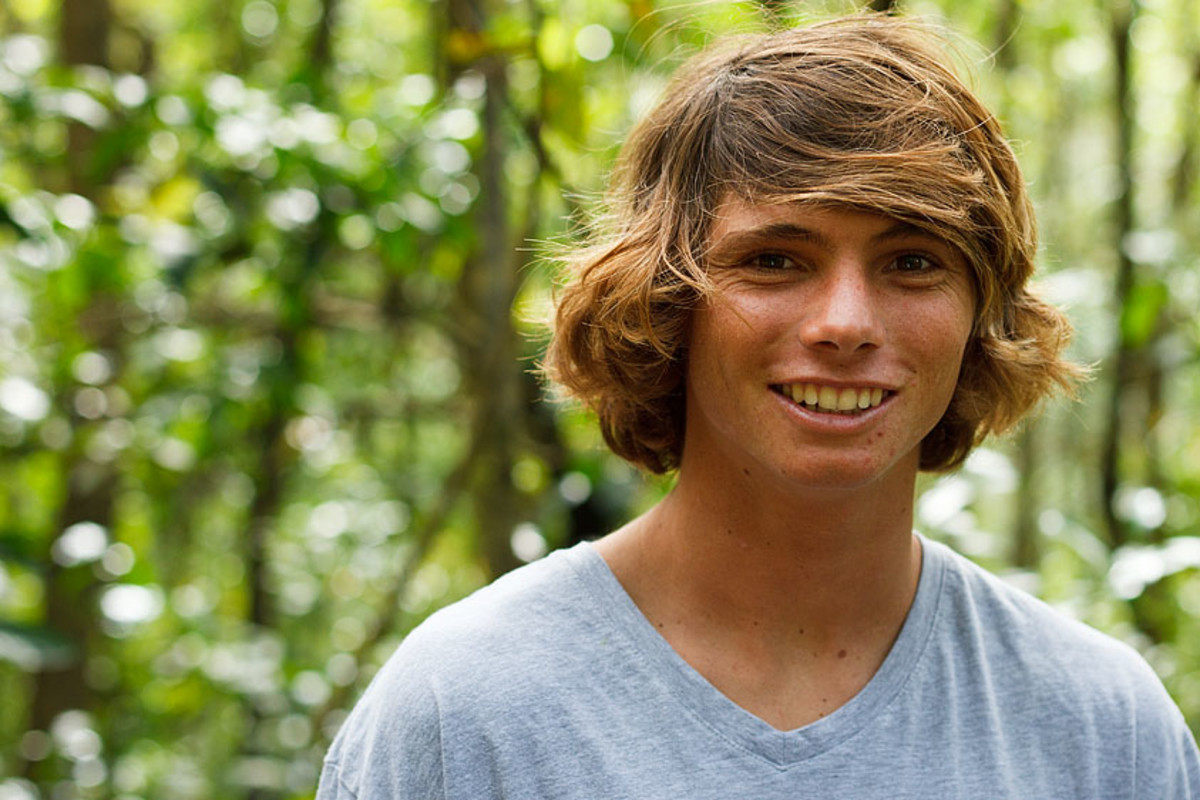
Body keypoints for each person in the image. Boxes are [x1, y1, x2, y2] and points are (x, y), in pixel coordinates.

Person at [317, 15, 1200, 799]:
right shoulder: (465, 712)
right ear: (663, 302)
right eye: (775, 260)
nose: (845, 324)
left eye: (912, 262)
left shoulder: (1102, 728)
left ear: (982, 315)